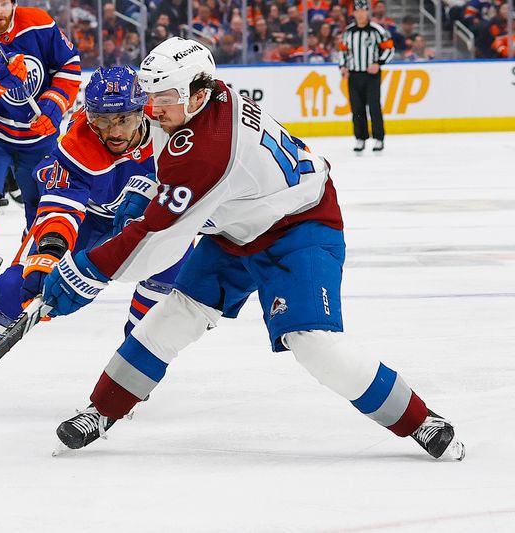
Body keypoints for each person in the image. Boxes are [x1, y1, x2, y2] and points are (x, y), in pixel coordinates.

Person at [44, 38, 465, 462]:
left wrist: (86, 272)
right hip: (238, 226)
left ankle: (420, 420)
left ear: (198, 94)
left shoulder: (206, 150)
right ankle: (102, 411)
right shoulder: (203, 99)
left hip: (299, 227)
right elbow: (179, 177)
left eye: (165, 98)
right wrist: (149, 188)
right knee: (177, 313)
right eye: (151, 95)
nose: (154, 107)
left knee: (313, 343)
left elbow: (159, 242)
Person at [0, 66, 192, 408]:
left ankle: (130, 372)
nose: (114, 131)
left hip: (148, 223)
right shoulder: (77, 143)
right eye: (103, 120)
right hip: (88, 221)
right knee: (15, 286)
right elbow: (61, 210)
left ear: (141, 111)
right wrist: (51, 252)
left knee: (168, 273)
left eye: (123, 119)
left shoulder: (170, 131)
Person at [0, 0, 81, 302]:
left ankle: (32, 275)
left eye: (4, 3)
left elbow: (69, 64)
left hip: (39, 135)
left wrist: (53, 105)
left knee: (44, 211)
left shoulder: (39, 23)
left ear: (14, 3)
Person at [339, 0, 394, 153]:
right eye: (358, 11)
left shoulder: (377, 30)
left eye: (364, 10)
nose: (361, 14)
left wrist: (379, 63)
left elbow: (390, 49)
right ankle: (360, 138)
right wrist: (343, 67)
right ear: (354, 13)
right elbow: (343, 51)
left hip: (371, 76)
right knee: (357, 108)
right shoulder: (348, 32)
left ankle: (378, 138)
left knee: (374, 106)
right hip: (354, 75)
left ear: (368, 12)